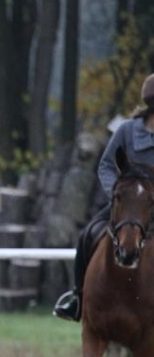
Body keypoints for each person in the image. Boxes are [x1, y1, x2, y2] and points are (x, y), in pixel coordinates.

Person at [54, 73, 154, 321]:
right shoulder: (127, 131)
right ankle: (77, 297)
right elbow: (107, 165)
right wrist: (116, 195)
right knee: (86, 235)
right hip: (126, 206)